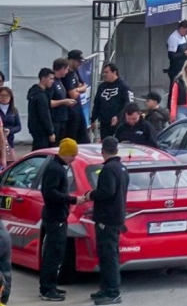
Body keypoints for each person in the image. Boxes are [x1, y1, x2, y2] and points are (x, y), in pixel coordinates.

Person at [39, 139, 85, 302]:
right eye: (73, 155)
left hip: (55, 215)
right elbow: (50, 193)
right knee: (53, 254)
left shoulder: (55, 166)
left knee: (56, 253)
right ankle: (47, 289)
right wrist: (72, 199)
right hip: (55, 216)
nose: (74, 158)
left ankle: (49, 286)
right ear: (65, 153)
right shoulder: (56, 169)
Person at [87, 137, 128, 305]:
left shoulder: (108, 169)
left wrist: (91, 195)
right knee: (108, 254)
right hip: (117, 216)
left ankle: (112, 292)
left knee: (108, 255)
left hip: (107, 218)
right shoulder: (122, 168)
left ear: (102, 150)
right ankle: (105, 288)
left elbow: (107, 192)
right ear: (117, 150)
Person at [92, 63, 134, 140]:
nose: (104, 74)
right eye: (104, 72)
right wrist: (93, 119)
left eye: (107, 72)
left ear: (114, 72)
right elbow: (97, 103)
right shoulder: (102, 86)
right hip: (104, 123)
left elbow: (129, 104)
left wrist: (118, 116)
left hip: (120, 123)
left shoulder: (124, 86)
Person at [28, 68, 57, 150]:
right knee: (42, 152)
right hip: (41, 131)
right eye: (50, 78)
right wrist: (50, 132)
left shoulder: (34, 93)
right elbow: (44, 115)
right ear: (43, 78)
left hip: (36, 129)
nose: (52, 81)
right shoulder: (41, 96)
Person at [166, 19, 187, 84]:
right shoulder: (174, 38)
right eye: (186, 31)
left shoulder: (182, 37)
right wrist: (185, 53)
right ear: (181, 28)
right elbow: (171, 56)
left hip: (183, 68)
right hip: (176, 69)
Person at [0, 86, 22, 151]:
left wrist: (10, 131)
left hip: (9, 142)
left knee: (11, 160)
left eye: (7, 96)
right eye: (2, 95)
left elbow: (18, 126)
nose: (4, 98)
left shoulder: (14, 110)